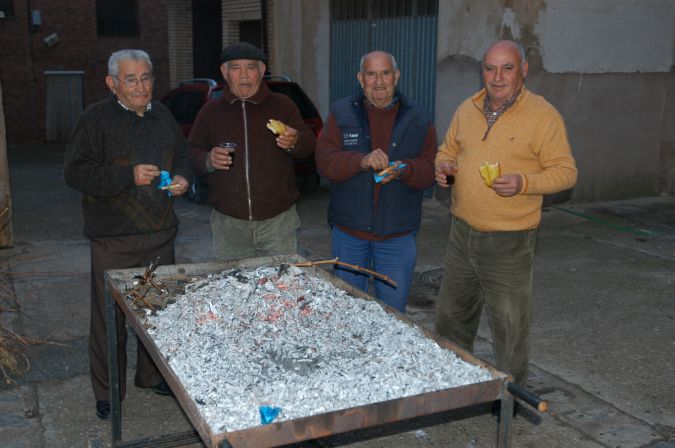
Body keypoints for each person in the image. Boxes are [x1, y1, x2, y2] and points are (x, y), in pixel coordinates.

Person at [434, 40, 578, 387]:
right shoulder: (466, 109)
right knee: (452, 316)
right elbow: (446, 150)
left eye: (507, 68)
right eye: (490, 68)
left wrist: (524, 182)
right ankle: (451, 385)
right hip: (462, 231)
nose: (497, 77)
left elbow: (566, 172)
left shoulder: (543, 116)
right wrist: (443, 167)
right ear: (481, 71)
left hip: (510, 240)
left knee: (509, 325)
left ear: (523, 70)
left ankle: (511, 396)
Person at [64, 49, 192, 419]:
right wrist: (127, 176)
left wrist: (184, 177)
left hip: (159, 235)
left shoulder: (163, 115)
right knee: (109, 322)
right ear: (112, 84)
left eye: (146, 77)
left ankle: (151, 377)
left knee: (156, 315)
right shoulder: (95, 119)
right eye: (131, 79)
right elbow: (75, 173)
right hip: (113, 239)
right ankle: (108, 391)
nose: (141, 86)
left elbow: (182, 155)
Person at [315, 50, 436, 313]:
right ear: (361, 78)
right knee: (348, 312)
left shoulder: (418, 116)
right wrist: (360, 161)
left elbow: (430, 169)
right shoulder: (341, 112)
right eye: (371, 74)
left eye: (385, 73)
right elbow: (324, 162)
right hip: (349, 235)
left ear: (397, 76)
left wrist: (405, 170)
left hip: (397, 235)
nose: (379, 81)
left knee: (393, 316)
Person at [188, 42, 315, 260]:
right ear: (225, 72)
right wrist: (208, 159)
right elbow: (191, 151)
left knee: (279, 287)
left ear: (262, 71)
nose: (244, 75)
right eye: (236, 67)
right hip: (229, 225)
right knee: (234, 288)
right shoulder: (211, 111)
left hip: (278, 222)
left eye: (251, 67)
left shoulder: (282, 105)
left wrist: (294, 141)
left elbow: (308, 146)